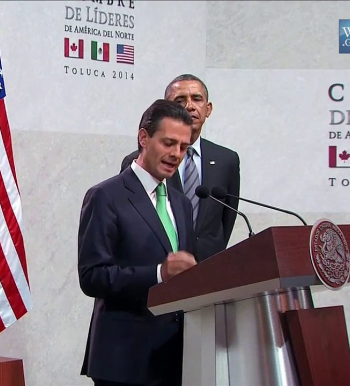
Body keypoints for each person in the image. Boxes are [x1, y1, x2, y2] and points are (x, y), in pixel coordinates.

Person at [79, 99, 198, 386]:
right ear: (143, 137)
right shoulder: (106, 196)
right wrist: (159, 274)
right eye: (168, 143)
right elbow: (92, 276)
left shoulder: (181, 203)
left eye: (183, 147)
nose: (176, 154)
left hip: (175, 358)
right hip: (124, 359)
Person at [121, 74, 240, 262]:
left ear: (208, 109)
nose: (189, 106)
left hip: (209, 271)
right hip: (158, 271)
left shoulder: (227, 160)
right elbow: (131, 225)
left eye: (197, 99)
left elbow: (226, 221)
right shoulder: (140, 161)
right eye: (180, 100)